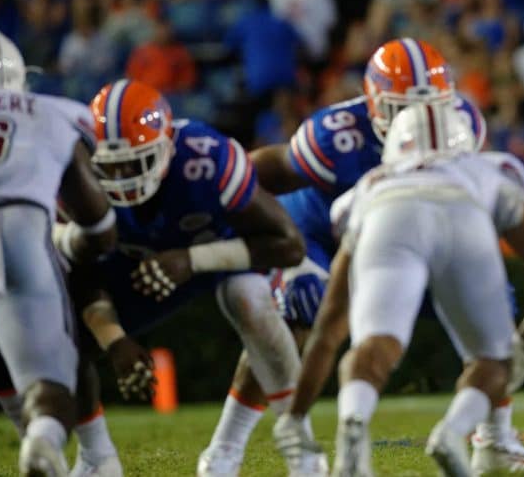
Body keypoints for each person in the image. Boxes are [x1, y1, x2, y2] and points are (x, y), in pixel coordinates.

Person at [199, 38, 524, 474]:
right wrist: (284, 251)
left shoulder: (463, 121)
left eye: (431, 104)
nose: (418, 117)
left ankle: (495, 439)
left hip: (407, 230)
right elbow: (257, 175)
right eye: (401, 108)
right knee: (296, 316)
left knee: (494, 304)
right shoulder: (335, 136)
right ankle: (226, 447)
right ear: (373, 105)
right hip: (323, 237)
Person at [273, 102, 524, 476]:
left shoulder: (369, 184)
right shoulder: (489, 170)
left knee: (372, 347)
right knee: (494, 360)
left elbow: (329, 328)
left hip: (388, 212)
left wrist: (295, 414)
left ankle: (353, 421)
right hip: (463, 213)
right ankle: (452, 434)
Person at [48, 79, 323, 477]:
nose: (124, 178)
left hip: (219, 252)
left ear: (167, 146)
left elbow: (287, 244)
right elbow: (84, 277)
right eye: (110, 167)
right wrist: (115, 340)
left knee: (252, 301)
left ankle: (297, 450)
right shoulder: (76, 177)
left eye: (134, 162)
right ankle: (97, 459)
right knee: (62, 332)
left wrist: (190, 259)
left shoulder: (207, 158)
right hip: (135, 268)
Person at [0, 27, 117, 476]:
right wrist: (71, 241)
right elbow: (98, 226)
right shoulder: (49, 112)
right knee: (51, 378)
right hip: (12, 228)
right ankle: (42, 438)